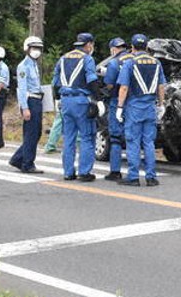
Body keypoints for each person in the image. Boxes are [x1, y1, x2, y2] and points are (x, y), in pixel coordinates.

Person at [115, 34, 166, 187]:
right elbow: (161, 86)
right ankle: (151, 177)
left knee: (133, 142)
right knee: (149, 142)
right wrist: (161, 104)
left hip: (134, 107)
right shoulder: (156, 63)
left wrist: (119, 107)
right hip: (150, 106)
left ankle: (133, 177)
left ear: (132, 47)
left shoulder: (130, 63)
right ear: (147, 47)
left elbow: (124, 87)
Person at [51, 33, 103, 181]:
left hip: (65, 102)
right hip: (81, 101)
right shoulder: (87, 59)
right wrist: (98, 100)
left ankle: (68, 172)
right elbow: (92, 80)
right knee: (87, 136)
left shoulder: (63, 58)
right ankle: (84, 172)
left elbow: (55, 82)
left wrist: (57, 99)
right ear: (88, 45)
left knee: (68, 138)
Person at [9, 36, 45, 174]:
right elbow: (22, 89)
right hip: (30, 101)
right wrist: (25, 108)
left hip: (37, 100)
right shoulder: (23, 66)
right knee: (31, 133)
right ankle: (27, 164)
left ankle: (18, 158)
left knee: (36, 133)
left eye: (38, 48)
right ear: (27, 49)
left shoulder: (34, 64)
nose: (36, 51)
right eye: (33, 48)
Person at [101, 37, 132, 181]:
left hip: (117, 101)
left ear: (113, 49)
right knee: (134, 137)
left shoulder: (114, 63)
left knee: (115, 138)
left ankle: (115, 171)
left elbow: (109, 85)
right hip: (136, 102)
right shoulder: (135, 59)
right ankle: (134, 173)